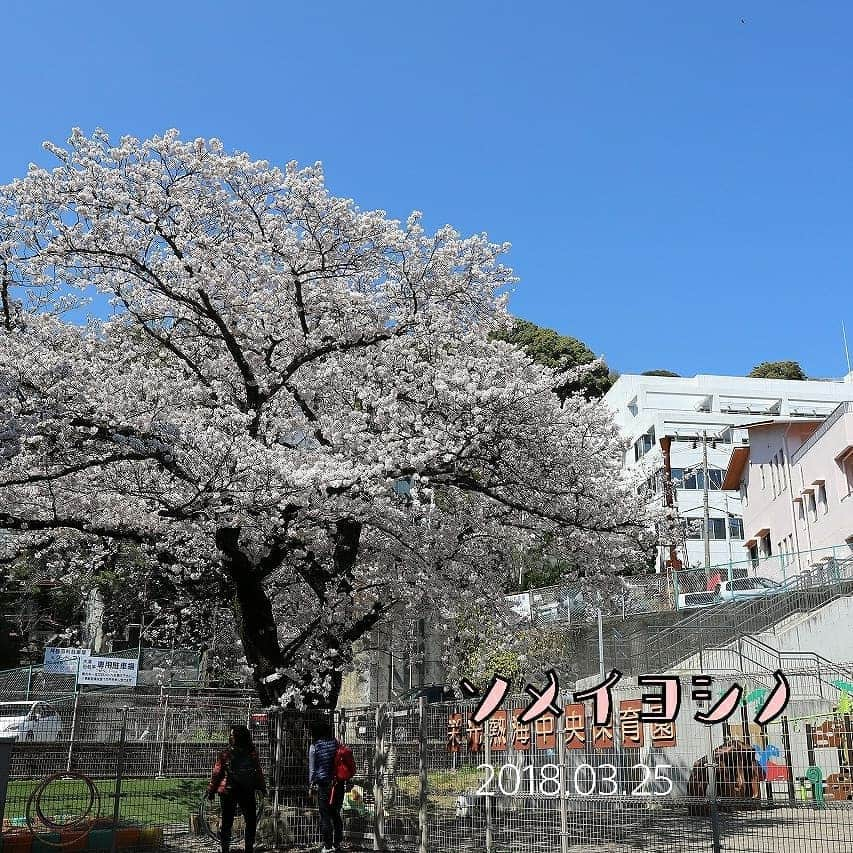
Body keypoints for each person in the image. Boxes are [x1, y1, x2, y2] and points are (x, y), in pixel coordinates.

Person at [207, 724, 267, 853]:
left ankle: (225, 849)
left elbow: (217, 774)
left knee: (227, 822)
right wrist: (262, 788)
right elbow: (258, 772)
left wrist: (211, 790)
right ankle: (249, 849)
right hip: (247, 791)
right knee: (250, 821)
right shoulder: (252, 754)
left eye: (232, 735)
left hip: (229, 791)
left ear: (237, 738)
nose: (230, 737)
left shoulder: (225, 755)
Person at [308, 720, 345, 853]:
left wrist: (311, 784)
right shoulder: (336, 743)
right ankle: (337, 843)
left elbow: (312, 770)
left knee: (325, 815)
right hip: (339, 783)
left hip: (324, 784)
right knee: (335, 813)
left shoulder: (314, 746)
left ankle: (327, 846)